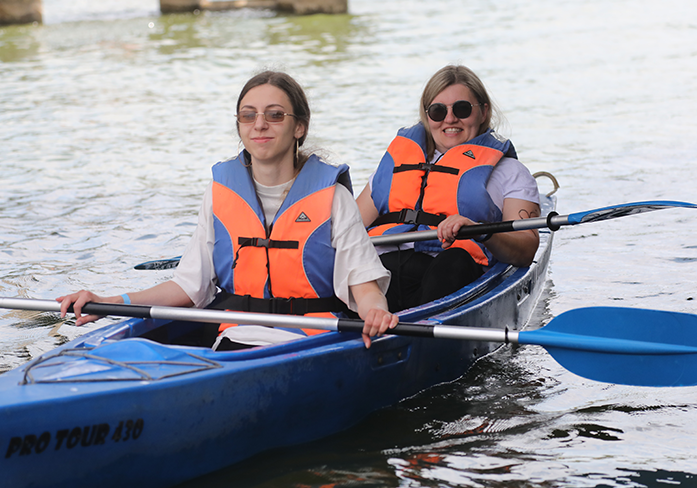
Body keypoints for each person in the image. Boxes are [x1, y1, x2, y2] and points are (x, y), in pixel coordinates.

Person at [59, 71, 398, 349]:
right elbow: (188, 288)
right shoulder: (219, 193)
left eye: (275, 115)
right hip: (234, 338)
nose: (259, 124)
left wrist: (376, 313)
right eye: (248, 115)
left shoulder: (333, 198)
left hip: (314, 342)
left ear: (299, 127)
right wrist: (109, 301)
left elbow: (364, 288)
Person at [355, 65, 541, 312]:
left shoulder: (511, 172)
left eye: (462, 109)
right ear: (427, 115)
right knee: (356, 267)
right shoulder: (395, 166)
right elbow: (348, 231)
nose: (450, 119)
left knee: (453, 262)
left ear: (483, 112)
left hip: (448, 275)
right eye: (438, 111)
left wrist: (480, 231)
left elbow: (526, 249)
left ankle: (422, 330)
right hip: (383, 274)